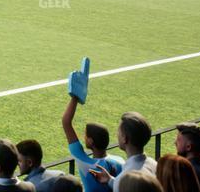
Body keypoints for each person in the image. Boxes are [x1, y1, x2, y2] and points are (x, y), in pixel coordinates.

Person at [62, 58, 124, 192]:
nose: (84, 137)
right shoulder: (120, 161)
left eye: (85, 135)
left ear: (90, 141)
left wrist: (75, 97)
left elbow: (66, 123)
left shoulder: (86, 163)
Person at [90, 111, 157, 191]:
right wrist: (110, 180)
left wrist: (116, 183)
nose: (117, 134)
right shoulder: (155, 165)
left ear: (125, 139)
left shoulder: (124, 179)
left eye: (119, 132)